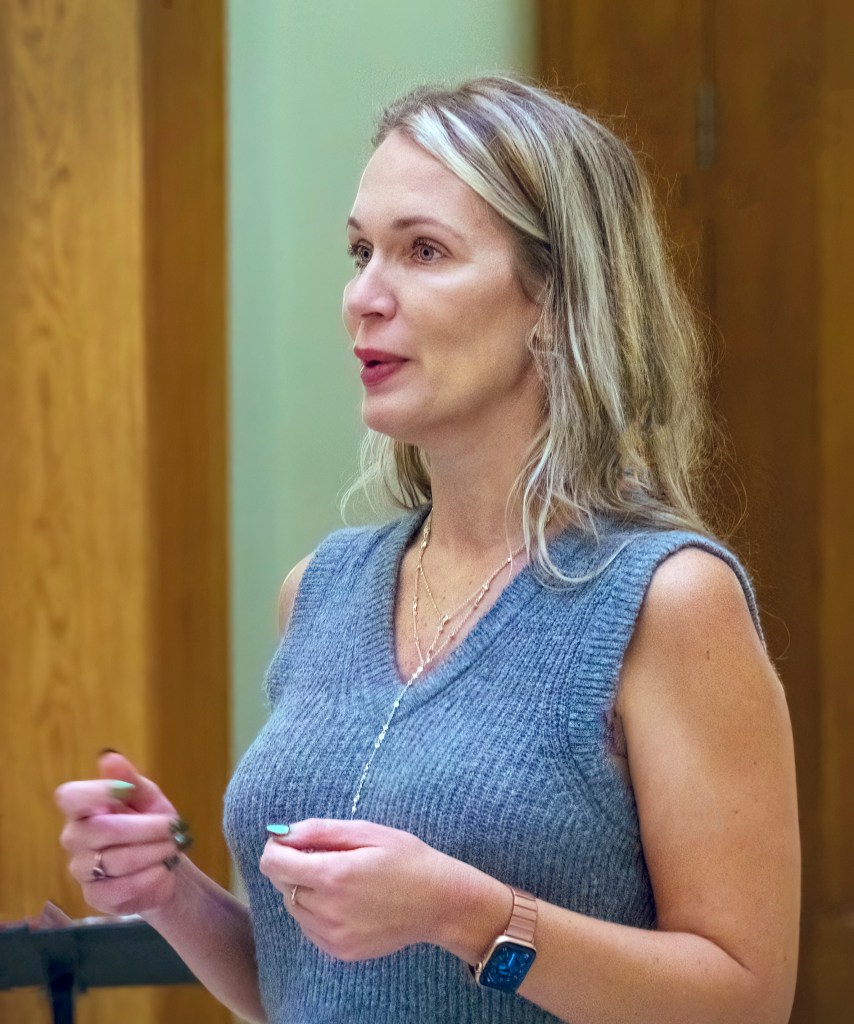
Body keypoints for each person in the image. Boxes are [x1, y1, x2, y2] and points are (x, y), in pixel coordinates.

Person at [55, 75, 800, 1024]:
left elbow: (747, 1000)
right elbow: (313, 986)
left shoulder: (665, 599)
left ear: (554, 298)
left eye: (424, 251)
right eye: (361, 251)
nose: (364, 297)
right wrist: (168, 892)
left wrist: (466, 915)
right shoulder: (319, 591)